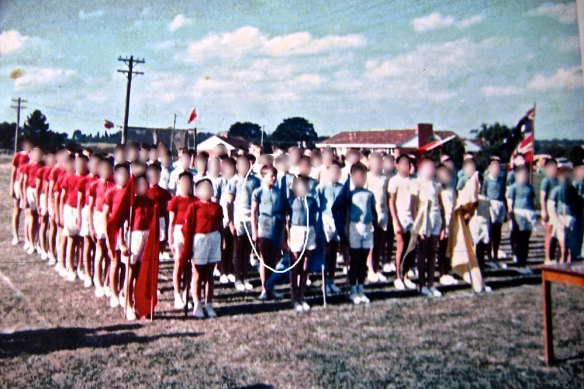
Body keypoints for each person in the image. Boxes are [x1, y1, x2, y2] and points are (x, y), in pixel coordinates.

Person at [334, 163, 376, 304]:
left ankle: (361, 287)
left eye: (362, 176)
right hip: (354, 228)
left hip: (367, 228)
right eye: (357, 177)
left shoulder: (370, 194)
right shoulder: (349, 195)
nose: (360, 179)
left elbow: (372, 211)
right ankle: (353, 288)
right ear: (352, 177)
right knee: (355, 259)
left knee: (363, 260)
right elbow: (339, 208)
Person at [180, 178, 223, 318]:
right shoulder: (194, 207)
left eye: (209, 188)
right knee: (198, 274)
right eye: (203, 188)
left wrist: (222, 241)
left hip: (214, 239)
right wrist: (189, 246)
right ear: (197, 192)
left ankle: (208, 304)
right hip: (199, 241)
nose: (207, 191)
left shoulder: (217, 207)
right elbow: (187, 228)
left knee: (209, 274)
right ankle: (197, 304)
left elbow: (220, 225)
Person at [118, 174, 155, 320]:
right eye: (138, 185)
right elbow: (121, 224)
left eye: (144, 184)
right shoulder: (130, 203)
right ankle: (127, 303)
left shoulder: (151, 202)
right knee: (130, 272)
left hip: (147, 238)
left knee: (141, 274)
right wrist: (121, 243)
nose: (142, 188)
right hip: (133, 237)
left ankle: (140, 304)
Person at [284, 176, 318, 311]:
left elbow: (314, 219)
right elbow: (286, 221)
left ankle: (302, 296)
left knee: (305, 266)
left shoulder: (312, 201)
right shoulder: (290, 201)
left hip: (309, 232)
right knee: (295, 264)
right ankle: (294, 296)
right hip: (296, 231)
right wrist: (287, 237)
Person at [411, 158, 444, 297]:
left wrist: (443, 226)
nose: (431, 170)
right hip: (423, 222)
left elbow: (440, 206)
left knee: (432, 253)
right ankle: (422, 284)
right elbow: (413, 207)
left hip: (435, 220)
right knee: (422, 254)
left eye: (433, 167)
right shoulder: (417, 183)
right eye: (428, 167)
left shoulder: (437, 185)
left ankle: (431, 283)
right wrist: (417, 227)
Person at [251, 165, 284, 300]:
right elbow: (254, 212)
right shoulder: (257, 192)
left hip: (276, 225)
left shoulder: (279, 192)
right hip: (263, 226)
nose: (274, 178)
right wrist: (254, 230)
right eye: (271, 175)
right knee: (264, 259)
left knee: (274, 259)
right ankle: (264, 288)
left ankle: (272, 287)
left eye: (275, 175)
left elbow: (283, 212)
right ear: (263, 176)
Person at [167, 172, 197, 309]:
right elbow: (171, 223)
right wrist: (171, 239)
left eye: (188, 183)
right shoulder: (175, 201)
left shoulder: (195, 200)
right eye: (183, 182)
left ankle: (186, 293)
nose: (186, 185)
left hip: (191, 232)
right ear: (178, 184)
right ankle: (177, 294)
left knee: (189, 265)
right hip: (179, 232)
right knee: (179, 263)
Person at [103, 163, 131, 308]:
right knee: (114, 262)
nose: (123, 177)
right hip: (114, 231)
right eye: (119, 174)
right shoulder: (110, 192)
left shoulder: (131, 193)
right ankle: (113, 293)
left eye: (126, 174)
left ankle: (121, 291)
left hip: (127, 232)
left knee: (124, 264)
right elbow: (106, 214)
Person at [232, 155, 260, 292]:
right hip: (239, 218)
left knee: (248, 250)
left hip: (251, 217)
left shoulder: (255, 181)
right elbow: (228, 203)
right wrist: (231, 222)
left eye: (246, 164)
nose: (244, 167)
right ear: (237, 167)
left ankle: (245, 277)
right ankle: (238, 278)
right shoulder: (234, 182)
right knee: (238, 249)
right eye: (241, 165)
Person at [88, 158, 115, 298]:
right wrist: (91, 226)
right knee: (100, 250)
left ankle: (107, 283)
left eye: (108, 169)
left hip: (111, 219)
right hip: (99, 218)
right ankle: (98, 283)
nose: (105, 172)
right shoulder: (94, 185)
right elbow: (90, 207)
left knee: (110, 253)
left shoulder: (115, 185)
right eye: (103, 169)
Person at [388, 155, 416, 290]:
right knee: (401, 246)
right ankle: (397, 276)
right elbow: (391, 202)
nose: (406, 166)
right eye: (403, 163)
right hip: (399, 218)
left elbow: (415, 203)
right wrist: (396, 220)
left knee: (411, 248)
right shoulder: (394, 181)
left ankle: (406, 275)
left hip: (411, 219)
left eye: (408, 163)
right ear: (396, 165)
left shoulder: (413, 181)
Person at [60, 154, 88, 282]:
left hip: (83, 211)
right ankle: (70, 267)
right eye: (78, 164)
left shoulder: (88, 178)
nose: (81, 166)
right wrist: (60, 213)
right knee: (71, 239)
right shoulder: (69, 178)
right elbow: (62, 197)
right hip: (70, 210)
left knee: (81, 241)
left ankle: (80, 267)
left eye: (83, 164)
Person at [317, 162, 344, 294]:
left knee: (334, 252)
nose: (335, 175)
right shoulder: (321, 188)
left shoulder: (343, 188)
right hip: (326, 220)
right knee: (326, 252)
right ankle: (324, 283)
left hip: (338, 221)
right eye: (333, 172)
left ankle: (331, 281)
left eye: (338, 173)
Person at [547, 165, 582, 263]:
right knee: (562, 246)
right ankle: (558, 264)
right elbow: (551, 209)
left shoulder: (574, 191)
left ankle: (569, 265)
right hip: (561, 219)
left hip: (572, 220)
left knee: (571, 247)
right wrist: (558, 223)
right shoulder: (556, 191)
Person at [366, 152, 390, 282]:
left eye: (379, 163)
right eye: (375, 163)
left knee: (380, 242)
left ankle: (376, 267)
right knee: (371, 244)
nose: (377, 166)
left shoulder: (384, 178)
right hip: (371, 214)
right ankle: (370, 269)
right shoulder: (367, 177)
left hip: (383, 213)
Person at [506, 165, 536, 269]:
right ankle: (519, 261)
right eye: (522, 174)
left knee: (526, 239)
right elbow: (510, 203)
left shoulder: (530, 188)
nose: (524, 176)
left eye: (526, 174)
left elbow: (532, 202)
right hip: (518, 214)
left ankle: (524, 261)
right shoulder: (514, 188)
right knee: (520, 238)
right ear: (516, 175)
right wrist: (512, 216)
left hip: (528, 214)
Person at [78, 154, 101, 287]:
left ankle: (97, 275)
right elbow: (81, 201)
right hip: (87, 212)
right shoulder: (84, 180)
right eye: (93, 164)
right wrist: (81, 218)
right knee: (87, 244)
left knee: (98, 245)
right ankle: (87, 273)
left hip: (99, 214)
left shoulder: (104, 180)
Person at [19, 146, 44, 255]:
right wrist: (23, 197)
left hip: (40, 193)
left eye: (40, 153)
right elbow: (22, 183)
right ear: (31, 155)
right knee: (30, 218)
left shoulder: (43, 166)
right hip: (30, 192)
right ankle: (29, 241)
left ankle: (37, 241)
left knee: (39, 218)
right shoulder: (27, 167)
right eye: (36, 153)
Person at [436, 164, 457, 285]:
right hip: (443, 224)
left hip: (452, 223)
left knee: (449, 249)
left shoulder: (452, 191)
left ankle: (447, 271)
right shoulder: (439, 190)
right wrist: (443, 226)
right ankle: (442, 273)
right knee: (442, 249)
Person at [482, 157, 506, 263]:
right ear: (489, 168)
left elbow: (503, 193)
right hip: (490, 205)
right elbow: (483, 193)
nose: (496, 169)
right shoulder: (486, 179)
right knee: (490, 231)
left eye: (498, 167)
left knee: (497, 231)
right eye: (494, 167)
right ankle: (489, 255)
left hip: (500, 204)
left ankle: (495, 253)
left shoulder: (501, 180)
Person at [146, 163, 172, 255]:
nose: (154, 177)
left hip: (161, 219)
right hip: (149, 220)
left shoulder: (164, 192)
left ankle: (159, 254)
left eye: (156, 175)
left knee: (160, 239)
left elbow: (168, 207)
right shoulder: (145, 191)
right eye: (151, 175)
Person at [10, 137, 32, 246]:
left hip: (29, 187)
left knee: (28, 212)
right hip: (18, 184)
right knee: (17, 210)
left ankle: (28, 238)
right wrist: (11, 186)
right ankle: (16, 235)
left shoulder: (33, 156)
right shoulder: (18, 155)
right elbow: (14, 171)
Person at [217, 157, 237, 284]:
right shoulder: (221, 181)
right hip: (223, 220)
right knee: (222, 246)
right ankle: (222, 270)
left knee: (231, 246)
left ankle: (229, 270)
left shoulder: (236, 181)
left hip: (234, 219)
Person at [36, 151, 56, 262]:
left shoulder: (57, 170)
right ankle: (43, 248)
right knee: (43, 222)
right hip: (44, 197)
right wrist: (39, 203)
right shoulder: (42, 171)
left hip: (53, 199)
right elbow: (39, 188)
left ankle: (51, 251)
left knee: (52, 225)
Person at [540, 159, 559, 262]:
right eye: (551, 168)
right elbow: (542, 197)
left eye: (555, 167)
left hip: (557, 210)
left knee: (556, 235)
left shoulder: (557, 180)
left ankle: (553, 257)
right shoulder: (546, 181)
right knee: (549, 235)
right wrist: (544, 211)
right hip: (549, 209)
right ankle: (547, 258)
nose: (553, 170)